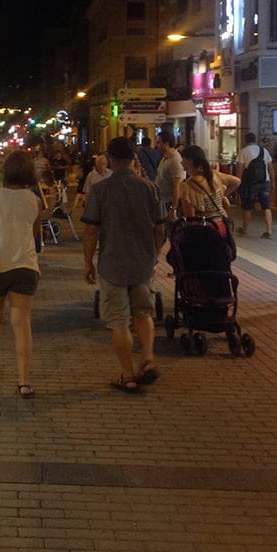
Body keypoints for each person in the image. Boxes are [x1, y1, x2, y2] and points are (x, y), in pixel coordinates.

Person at [82, 137, 165, 394]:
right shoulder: (150, 188)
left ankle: (128, 375)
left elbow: (91, 230)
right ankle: (148, 359)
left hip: (112, 263)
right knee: (143, 313)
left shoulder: (101, 190)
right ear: (133, 159)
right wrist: (155, 252)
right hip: (142, 262)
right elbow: (160, 227)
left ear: (111, 159)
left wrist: (88, 262)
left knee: (119, 320)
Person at [0, 148, 43, 398]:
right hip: (26, 265)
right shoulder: (35, 199)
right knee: (21, 323)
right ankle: (24, 381)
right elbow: (36, 232)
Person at [178, 145, 241, 230]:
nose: (181, 162)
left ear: (189, 161)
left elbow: (190, 219)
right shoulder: (214, 175)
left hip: (206, 231)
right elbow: (237, 181)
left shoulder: (187, 186)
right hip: (222, 225)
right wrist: (221, 195)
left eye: (182, 159)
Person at [235, 132, 275, 238]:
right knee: (266, 206)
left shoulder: (243, 151)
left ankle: (244, 228)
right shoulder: (264, 151)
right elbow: (270, 168)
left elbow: (239, 169)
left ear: (245, 141)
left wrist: (237, 183)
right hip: (265, 182)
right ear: (255, 140)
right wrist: (273, 182)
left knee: (248, 206)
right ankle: (269, 231)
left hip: (251, 184)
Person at [154, 130, 184, 222]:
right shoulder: (166, 157)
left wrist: (173, 207)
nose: (156, 145)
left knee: (172, 230)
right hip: (163, 201)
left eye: (159, 142)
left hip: (169, 202)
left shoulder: (175, 160)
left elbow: (177, 186)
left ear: (166, 144)